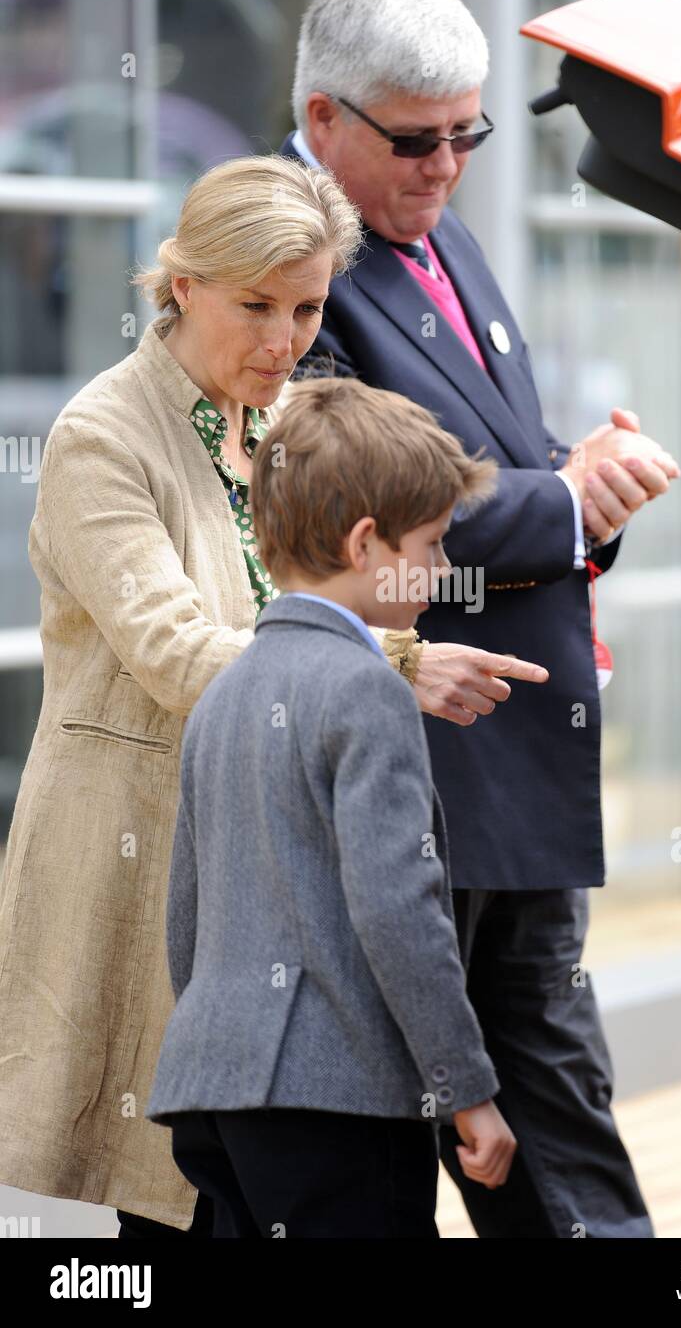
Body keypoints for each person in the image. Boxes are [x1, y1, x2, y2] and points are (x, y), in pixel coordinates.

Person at [0, 154, 544, 1237]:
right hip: (139, 851)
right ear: (183, 280)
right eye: (257, 305)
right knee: (171, 1203)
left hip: (274, 885)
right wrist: (392, 666)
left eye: (308, 307)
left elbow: (377, 562)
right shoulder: (101, 436)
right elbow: (174, 649)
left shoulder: (299, 418)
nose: (284, 338)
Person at [282, 0, 681, 1238]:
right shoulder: (289, 259)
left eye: (470, 132)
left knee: (561, 1131)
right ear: (324, 114)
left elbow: (492, 457)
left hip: (516, 770)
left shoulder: (425, 221)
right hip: (419, 774)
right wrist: (565, 502)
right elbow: (356, 527)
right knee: (471, 1142)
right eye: (416, 138)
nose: (447, 165)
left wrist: (586, 480)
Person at [145, 378, 517, 1238]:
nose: (443, 570)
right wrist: (468, 1091)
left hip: (216, 1093)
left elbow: (187, 919)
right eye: (430, 545)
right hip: (337, 1096)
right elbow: (400, 914)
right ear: (366, 545)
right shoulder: (367, 690)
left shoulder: (223, 694)